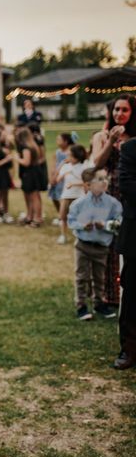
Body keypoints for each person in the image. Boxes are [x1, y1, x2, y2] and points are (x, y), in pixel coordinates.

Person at [90, 94, 136, 308]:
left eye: (124, 110)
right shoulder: (101, 135)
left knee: (126, 242)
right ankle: (105, 294)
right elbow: (97, 163)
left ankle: (124, 292)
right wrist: (110, 141)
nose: (119, 114)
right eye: (116, 109)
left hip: (129, 195)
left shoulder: (133, 139)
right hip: (108, 194)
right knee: (106, 243)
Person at [67, 167, 122, 321]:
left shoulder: (113, 203)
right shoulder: (79, 204)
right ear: (87, 185)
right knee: (81, 276)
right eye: (100, 179)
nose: (104, 182)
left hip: (102, 246)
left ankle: (99, 303)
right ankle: (81, 305)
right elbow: (71, 221)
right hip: (83, 245)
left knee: (99, 277)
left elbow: (119, 223)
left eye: (106, 178)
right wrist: (82, 225)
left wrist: (104, 225)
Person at [114, 137, 136, 369]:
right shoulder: (130, 148)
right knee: (132, 292)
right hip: (135, 232)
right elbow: (127, 185)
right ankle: (129, 349)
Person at [57, 145, 89, 244]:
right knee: (63, 216)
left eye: (71, 156)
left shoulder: (84, 167)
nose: (68, 157)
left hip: (79, 196)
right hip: (66, 195)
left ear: (77, 157)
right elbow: (58, 180)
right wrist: (63, 170)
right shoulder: (66, 166)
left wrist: (74, 182)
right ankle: (63, 235)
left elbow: (87, 183)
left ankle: (79, 236)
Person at [15, 127, 43, 227]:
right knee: (32, 196)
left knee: (34, 197)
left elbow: (26, 162)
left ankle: (37, 219)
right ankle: (30, 216)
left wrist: (17, 158)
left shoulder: (26, 147)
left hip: (30, 173)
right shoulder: (33, 145)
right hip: (34, 172)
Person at [49, 132, 75, 228]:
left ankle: (65, 217)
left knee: (63, 199)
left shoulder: (71, 152)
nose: (57, 142)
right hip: (56, 177)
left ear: (66, 141)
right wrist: (51, 176)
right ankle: (61, 216)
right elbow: (53, 165)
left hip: (65, 179)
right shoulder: (57, 152)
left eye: (59, 139)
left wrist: (56, 175)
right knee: (54, 197)